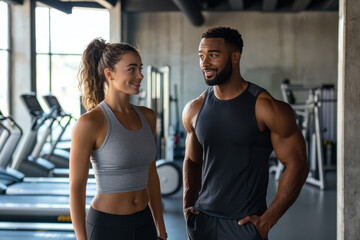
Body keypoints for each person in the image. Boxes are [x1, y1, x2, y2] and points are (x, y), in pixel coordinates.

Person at [182, 27, 309, 240]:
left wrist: (268, 219)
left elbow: (298, 164)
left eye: (213, 55)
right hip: (202, 222)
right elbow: (192, 161)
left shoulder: (265, 107)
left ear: (235, 57)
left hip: (243, 224)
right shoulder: (195, 109)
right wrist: (187, 206)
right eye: (201, 56)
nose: (205, 63)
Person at [70, 38, 167, 240]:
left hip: (144, 222)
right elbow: (77, 187)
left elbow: (151, 174)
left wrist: (161, 228)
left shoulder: (148, 116)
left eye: (140, 68)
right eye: (131, 69)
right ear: (109, 74)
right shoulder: (90, 123)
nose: (140, 75)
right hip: (107, 226)